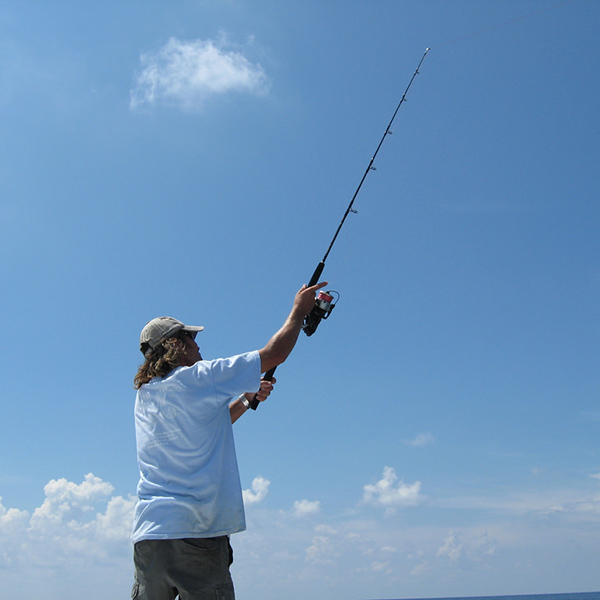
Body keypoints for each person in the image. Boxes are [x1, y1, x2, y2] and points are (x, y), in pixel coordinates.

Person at [131, 281, 327, 600]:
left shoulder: (146, 395)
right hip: (196, 534)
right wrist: (298, 312)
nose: (198, 345)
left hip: (149, 538)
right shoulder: (198, 378)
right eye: (191, 338)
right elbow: (274, 354)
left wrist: (246, 400)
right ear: (175, 345)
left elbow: (208, 425)